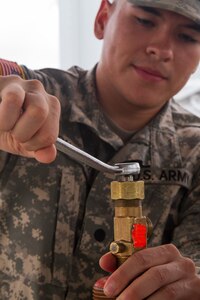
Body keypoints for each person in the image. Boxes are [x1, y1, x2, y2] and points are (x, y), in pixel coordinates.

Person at [0, 0, 200, 299]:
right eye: (145, 20)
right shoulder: (29, 99)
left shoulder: (194, 153)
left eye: (187, 36)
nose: (162, 49)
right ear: (103, 18)